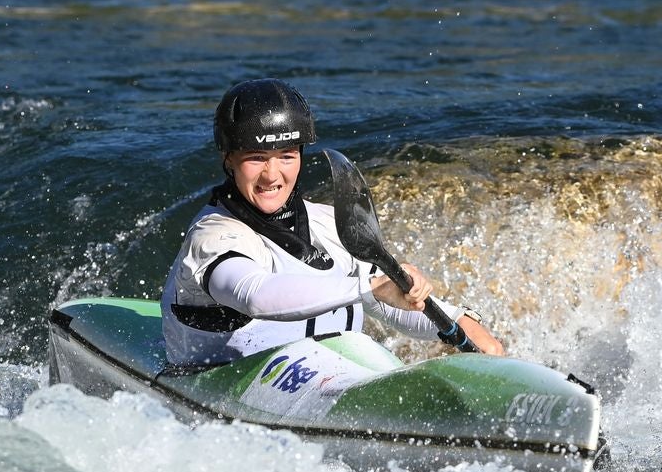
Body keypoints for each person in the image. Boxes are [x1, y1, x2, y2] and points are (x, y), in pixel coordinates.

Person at [160, 77, 505, 366]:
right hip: (225, 381)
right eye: (256, 158)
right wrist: (368, 287)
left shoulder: (332, 225)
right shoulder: (214, 236)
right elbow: (256, 296)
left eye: (286, 157)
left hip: (337, 375)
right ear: (229, 158)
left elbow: (388, 301)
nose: (271, 174)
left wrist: (459, 323)